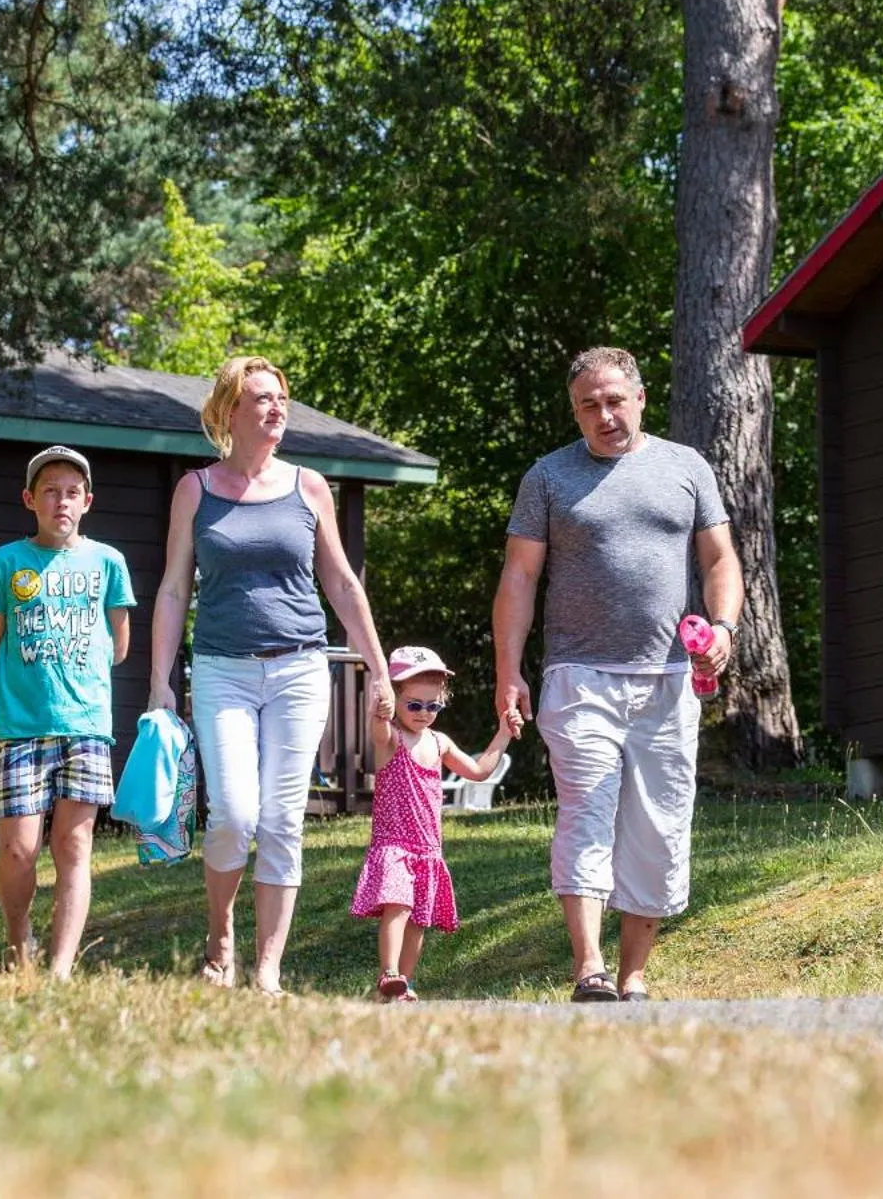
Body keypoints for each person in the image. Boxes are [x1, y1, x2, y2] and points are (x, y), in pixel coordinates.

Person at [493, 347, 743, 1002]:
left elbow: (721, 560)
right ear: (575, 411)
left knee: (659, 826)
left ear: (639, 395)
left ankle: (633, 974)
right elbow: (519, 577)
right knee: (587, 810)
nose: (604, 415)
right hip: (580, 676)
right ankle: (588, 967)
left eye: (614, 400)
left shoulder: (686, 469)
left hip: (667, 679)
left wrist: (722, 628)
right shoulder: (548, 478)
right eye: (588, 405)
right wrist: (508, 671)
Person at [150, 355, 394, 996]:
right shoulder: (195, 490)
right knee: (232, 813)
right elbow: (175, 590)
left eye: (282, 397)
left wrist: (379, 668)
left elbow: (341, 582)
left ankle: (267, 973)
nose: (277, 407)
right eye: (262, 397)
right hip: (222, 670)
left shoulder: (309, 487)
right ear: (230, 410)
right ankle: (220, 937)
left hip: (299, 671)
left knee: (283, 818)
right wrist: (160, 683)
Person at [0, 444, 136, 980]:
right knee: (19, 850)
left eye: (72, 492)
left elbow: (119, 644)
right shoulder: (5, 563)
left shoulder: (108, 562)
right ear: (30, 499)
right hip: (21, 727)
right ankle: (19, 941)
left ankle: (61, 969)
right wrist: (25, 695)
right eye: (50, 492)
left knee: (74, 844)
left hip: (86, 725)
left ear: (87, 501)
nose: (61, 501)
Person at [349, 645, 517, 1003]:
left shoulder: (440, 743)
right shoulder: (391, 739)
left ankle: (402, 985)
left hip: (427, 849)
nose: (424, 714)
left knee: (419, 920)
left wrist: (503, 732)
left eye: (433, 706)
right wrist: (380, 710)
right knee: (399, 904)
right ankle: (389, 972)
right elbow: (378, 730)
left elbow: (479, 771)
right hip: (394, 843)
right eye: (414, 705)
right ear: (396, 700)